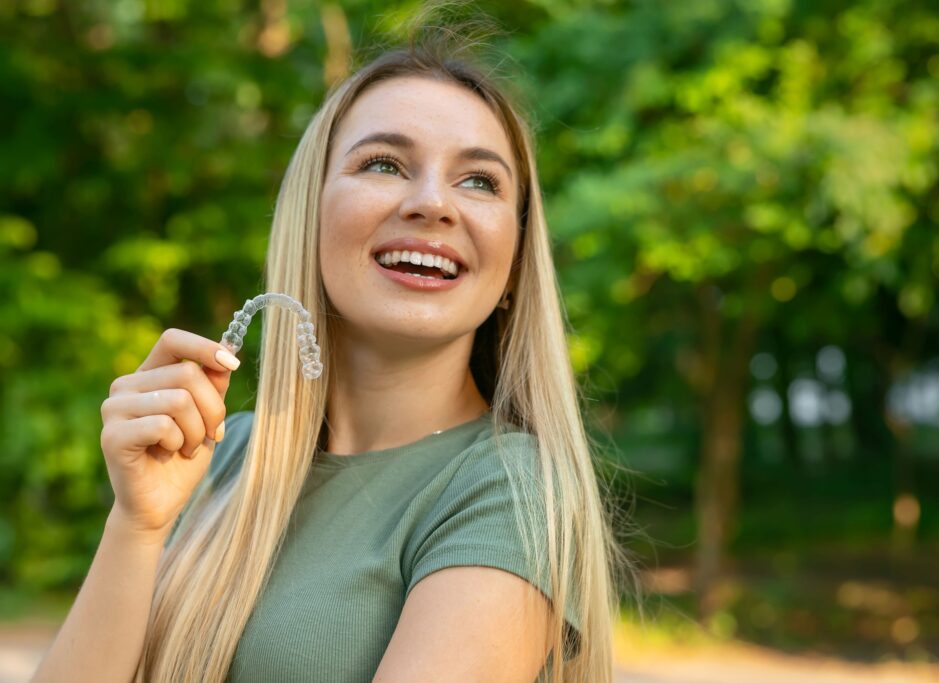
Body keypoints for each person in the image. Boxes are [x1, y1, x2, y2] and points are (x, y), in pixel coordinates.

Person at [32, 20, 633, 683]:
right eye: (384, 163)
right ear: (309, 214)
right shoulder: (216, 452)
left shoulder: (510, 489)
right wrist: (137, 523)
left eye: (480, 181)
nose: (433, 202)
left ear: (516, 264)